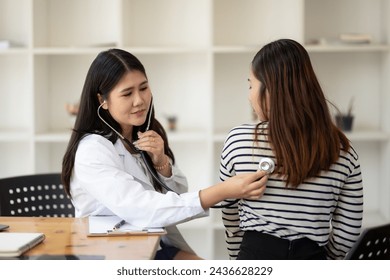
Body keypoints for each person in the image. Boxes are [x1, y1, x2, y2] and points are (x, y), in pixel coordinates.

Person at [61, 48, 268, 260]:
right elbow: (143, 208)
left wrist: (161, 162)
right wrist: (222, 191)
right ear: (102, 100)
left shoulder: (142, 135)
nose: (139, 100)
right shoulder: (93, 150)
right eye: (127, 93)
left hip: (151, 245)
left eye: (143, 88)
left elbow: (176, 193)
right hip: (110, 254)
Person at [220, 39, 363, 260]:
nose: (249, 96)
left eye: (251, 85)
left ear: (270, 89)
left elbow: (229, 212)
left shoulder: (238, 140)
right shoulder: (343, 149)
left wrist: (237, 258)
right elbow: (348, 232)